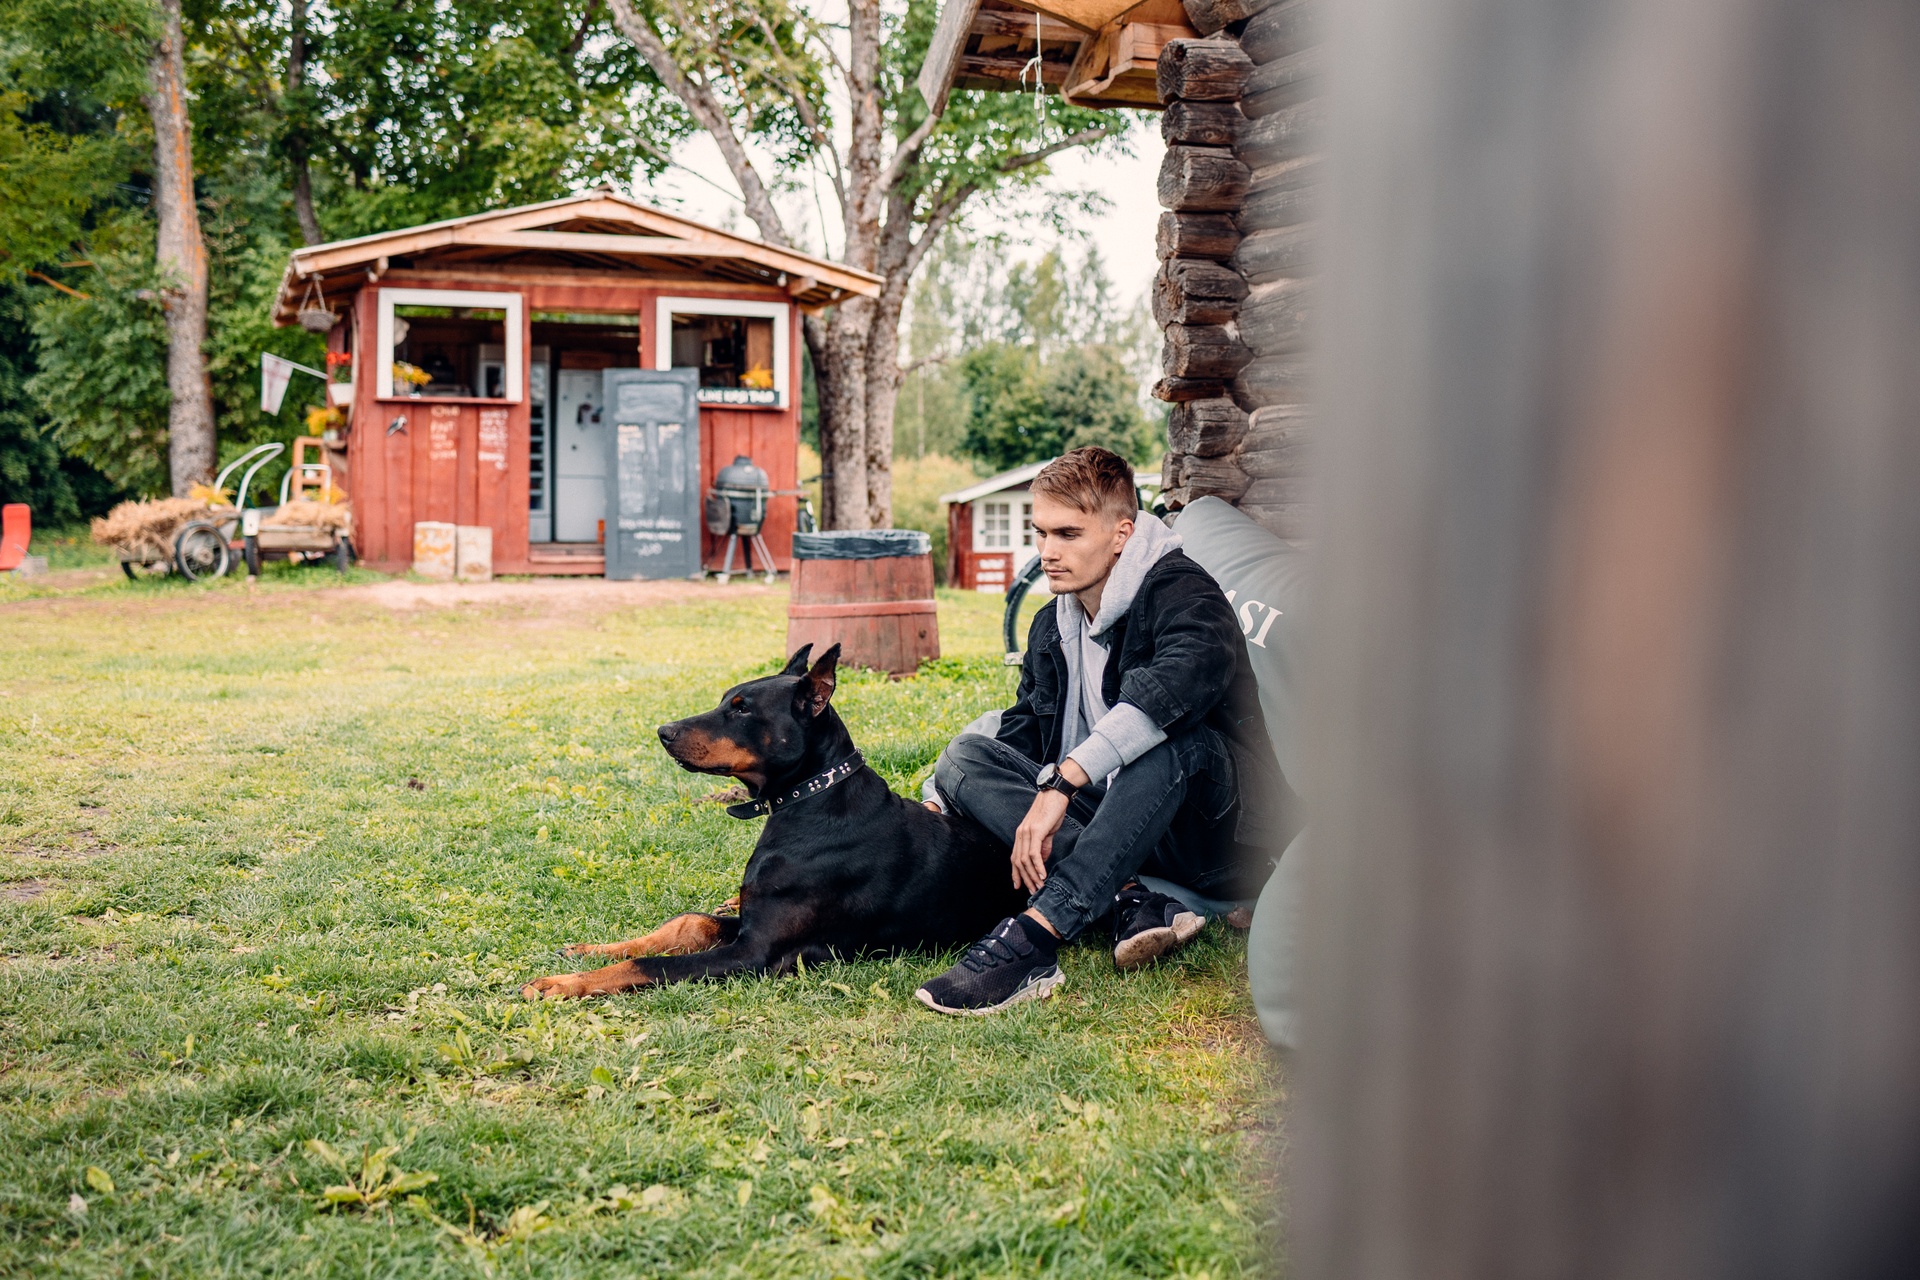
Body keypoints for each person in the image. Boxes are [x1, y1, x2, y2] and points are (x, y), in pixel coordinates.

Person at [915, 447, 1285, 1015]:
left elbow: (1176, 687)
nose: (1048, 553)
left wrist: (1061, 785)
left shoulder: (1185, 592)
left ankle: (1038, 937)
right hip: (1114, 821)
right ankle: (1128, 898)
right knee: (965, 757)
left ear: (1121, 533)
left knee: (1171, 737)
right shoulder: (1052, 624)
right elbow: (1022, 735)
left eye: (1068, 534)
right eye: (1041, 533)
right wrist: (946, 799)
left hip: (1212, 838)